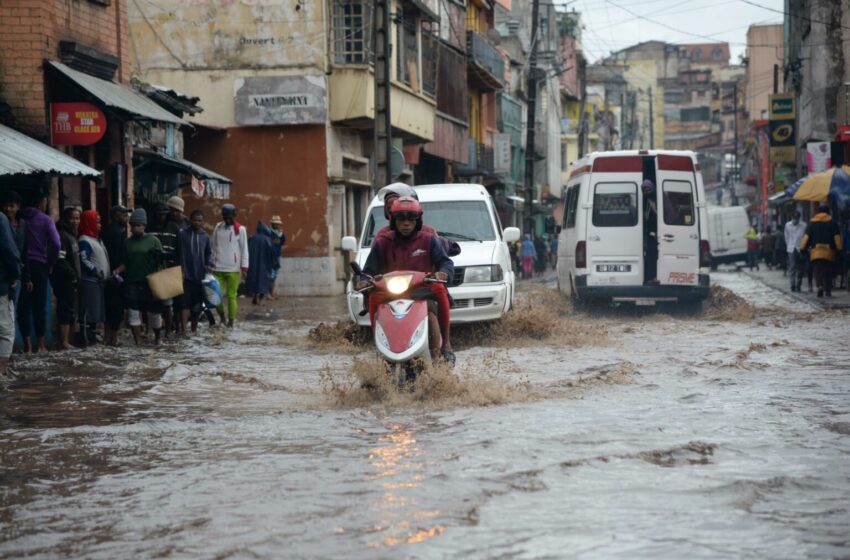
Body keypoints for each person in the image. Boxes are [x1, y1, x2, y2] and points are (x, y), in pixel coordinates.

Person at [360, 196, 454, 362]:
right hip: (390, 292)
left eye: (410, 219)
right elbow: (368, 271)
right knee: (373, 295)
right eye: (401, 219)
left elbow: (446, 263)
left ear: (417, 221)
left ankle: (445, 344)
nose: (406, 224)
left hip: (422, 291)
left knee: (439, 290)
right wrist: (363, 280)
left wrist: (443, 273)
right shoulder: (383, 242)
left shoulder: (429, 240)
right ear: (393, 220)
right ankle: (378, 347)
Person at [114, 208, 164, 345]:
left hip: (150, 283)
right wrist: (118, 270)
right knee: (133, 313)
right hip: (132, 283)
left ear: (144, 226)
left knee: (154, 314)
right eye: (133, 225)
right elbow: (125, 263)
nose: (135, 228)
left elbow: (162, 261)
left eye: (138, 225)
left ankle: (158, 337)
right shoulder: (127, 243)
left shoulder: (154, 241)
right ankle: (138, 342)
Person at [18, 194, 60, 353]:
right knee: (39, 306)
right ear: (42, 202)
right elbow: (56, 243)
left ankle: (27, 345)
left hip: (22, 265)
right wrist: (51, 262)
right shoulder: (45, 220)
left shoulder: (20, 220)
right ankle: (41, 345)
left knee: (24, 306)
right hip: (40, 265)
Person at [150, 196, 187, 335]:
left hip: (171, 270)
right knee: (153, 303)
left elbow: (179, 252)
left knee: (170, 303)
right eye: (159, 214)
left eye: (164, 214)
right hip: (153, 270)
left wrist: (181, 270)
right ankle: (155, 331)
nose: (161, 217)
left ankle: (169, 330)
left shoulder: (175, 228)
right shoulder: (149, 227)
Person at [211, 203, 249, 328]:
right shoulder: (217, 227)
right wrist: (210, 262)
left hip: (233, 269)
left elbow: (244, 250)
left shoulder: (240, 230)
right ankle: (222, 318)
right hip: (217, 268)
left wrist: (244, 267)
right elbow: (213, 246)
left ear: (234, 215)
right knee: (216, 296)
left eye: (229, 216)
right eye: (225, 216)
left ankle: (231, 322)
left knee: (232, 296)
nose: (227, 218)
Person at [77, 210, 110, 346]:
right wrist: (95, 271)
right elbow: (84, 259)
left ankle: (91, 340)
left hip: (98, 282)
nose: (100, 225)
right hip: (89, 282)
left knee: (95, 313)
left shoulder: (96, 239)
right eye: (97, 222)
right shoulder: (84, 240)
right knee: (89, 313)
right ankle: (86, 341)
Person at [179, 209, 213, 333]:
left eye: (199, 221)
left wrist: (209, 264)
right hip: (185, 275)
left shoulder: (205, 237)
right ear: (190, 220)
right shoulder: (183, 234)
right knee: (185, 304)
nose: (197, 223)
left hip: (200, 277)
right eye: (194, 220)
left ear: (203, 222)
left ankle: (193, 330)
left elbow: (208, 253)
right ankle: (183, 329)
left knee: (197, 306)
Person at [52, 207, 81, 350]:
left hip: (72, 280)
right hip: (64, 280)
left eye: (77, 218)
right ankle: (63, 342)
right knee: (65, 309)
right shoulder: (63, 235)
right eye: (72, 218)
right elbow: (60, 258)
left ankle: (69, 341)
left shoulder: (72, 236)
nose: (75, 221)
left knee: (70, 310)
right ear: (66, 219)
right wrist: (72, 274)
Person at [800, 204, 842, 298]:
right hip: (829, 253)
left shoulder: (811, 223)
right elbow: (837, 238)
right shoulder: (832, 223)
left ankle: (819, 286)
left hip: (815, 253)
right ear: (828, 212)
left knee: (818, 271)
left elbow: (806, 238)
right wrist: (839, 250)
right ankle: (828, 290)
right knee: (828, 272)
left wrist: (802, 249)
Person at [2, 191, 27, 347]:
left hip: (16, 273)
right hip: (6, 274)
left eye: (12, 206)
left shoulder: (23, 226)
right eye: (5, 205)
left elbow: (25, 252)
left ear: (18, 207)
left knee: (13, 310)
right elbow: (7, 250)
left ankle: (10, 350)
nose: (8, 209)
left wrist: (26, 276)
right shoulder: (2, 222)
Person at [102, 205, 129, 345]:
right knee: (116, 308)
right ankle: (113, 339)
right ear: (117, 216)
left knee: (108, 307)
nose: (127, 218)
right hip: (116, 276)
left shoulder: (106, 230)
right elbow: (120, 256)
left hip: (107, 275)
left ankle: (107, 338)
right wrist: (119, 270)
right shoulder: (118, 233)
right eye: (124, 216)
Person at [0, 209, 21, 377]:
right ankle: (1, 371)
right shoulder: (1, 220)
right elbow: (9, 250)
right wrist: (14, 275)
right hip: (1, 285)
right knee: (6, 330)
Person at [245, 221, 278, 305]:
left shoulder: (252, 239)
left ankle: (255, 296)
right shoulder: (268, 240)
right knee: (263, 282)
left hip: (253, 265)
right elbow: (272, 253)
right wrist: (275, 264)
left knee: (254, 281)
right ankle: (261, 299)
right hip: (265, 266)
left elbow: (247, 251)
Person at [642, 179, 659, 284]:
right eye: (645, 190)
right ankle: (649, 278)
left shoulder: (659, 200)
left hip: (658, 234)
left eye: (649, 190)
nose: (647, 192)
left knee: (655, 256)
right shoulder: (644, 202)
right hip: (649, 234)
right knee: (649, 256)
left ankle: (654, 277)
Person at [784, 211, 806, 292]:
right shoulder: (787, 225)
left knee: (800, 268)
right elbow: (786, 237)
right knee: (792, 268)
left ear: (799, 218)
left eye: (796, 218)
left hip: (800, 248)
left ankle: (798, 285)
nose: (795, 220)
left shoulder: (804, 225)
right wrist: (789, 246)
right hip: (791, 248)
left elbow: (805, 237)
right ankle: (792, 285)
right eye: (794, 218)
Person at [267, 215, 285, 300]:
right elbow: (268, 243)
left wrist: (281, 236)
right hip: (270, 256)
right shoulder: (269, 232)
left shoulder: (280, 233)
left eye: (278, 224)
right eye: (276, 224)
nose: (277, 225)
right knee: (271, 275)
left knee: (274, 276)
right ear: (272, 224)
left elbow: (282, 242)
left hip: (277, 255)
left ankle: (272, 293)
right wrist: (273, 241)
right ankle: (269, 294)